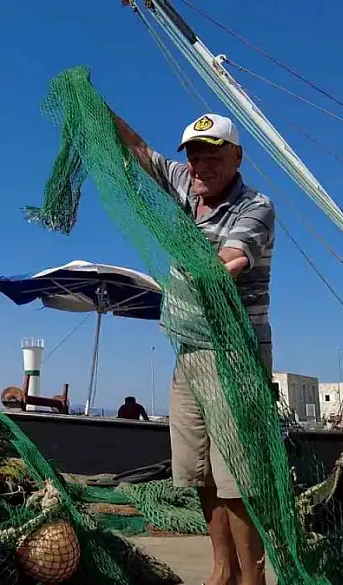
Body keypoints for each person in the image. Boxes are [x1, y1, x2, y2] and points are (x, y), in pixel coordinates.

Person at [111, 110, 275, 585]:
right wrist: (99, 111)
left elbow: (233, 260)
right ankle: (221, 571)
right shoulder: (186, 183)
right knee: (200, 473)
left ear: (237, 156)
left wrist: (202, 271)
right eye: (195, 155)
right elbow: (142, 153)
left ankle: (252, 580)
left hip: (234, 356)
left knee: (237, 481)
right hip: (188, 353)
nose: (202, 164)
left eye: (214, 155)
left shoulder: (256, 206)